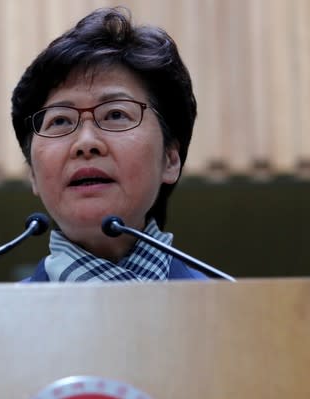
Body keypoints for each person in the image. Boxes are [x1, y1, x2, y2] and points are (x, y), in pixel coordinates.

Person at [11, 7, 206, 282]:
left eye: (115, 115)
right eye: (60, 121)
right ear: (32, 172)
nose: (86, 143)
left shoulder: (239, 314)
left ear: (170, 159)